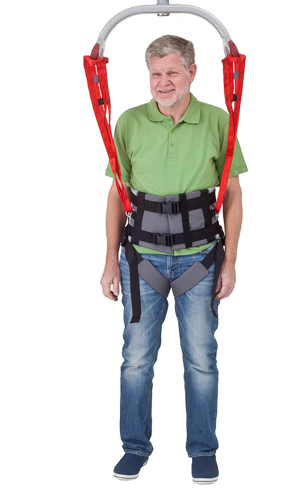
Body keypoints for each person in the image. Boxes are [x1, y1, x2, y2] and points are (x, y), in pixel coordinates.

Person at [100, 35, 247, 484]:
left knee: (201, 358)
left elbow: (233, 195)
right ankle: (134, 447)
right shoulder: (129, 122)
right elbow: (117, 194)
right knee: (136, 358)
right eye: (155, 74)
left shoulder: (217, 120)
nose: (163, 82)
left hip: (199, 260)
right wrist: (109, 261)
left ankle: (203, 449)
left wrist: (230, 262)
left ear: (192, 73)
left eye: (172, 73)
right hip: (140, 259)